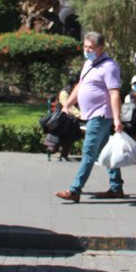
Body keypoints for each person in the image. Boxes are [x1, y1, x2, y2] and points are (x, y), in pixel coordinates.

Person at [55, 31, 125, 203]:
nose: (87, 50)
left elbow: (114, 93)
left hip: (100, 115)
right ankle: (116, 187)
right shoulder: (89, 63)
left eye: (91, 48)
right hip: (91, 114)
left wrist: (117, 119)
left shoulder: (110, 67)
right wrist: (67, 105)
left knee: (88, 152)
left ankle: (75, 189)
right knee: (103, 150)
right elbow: (80, 86)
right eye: (85, 47)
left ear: (100, 48)